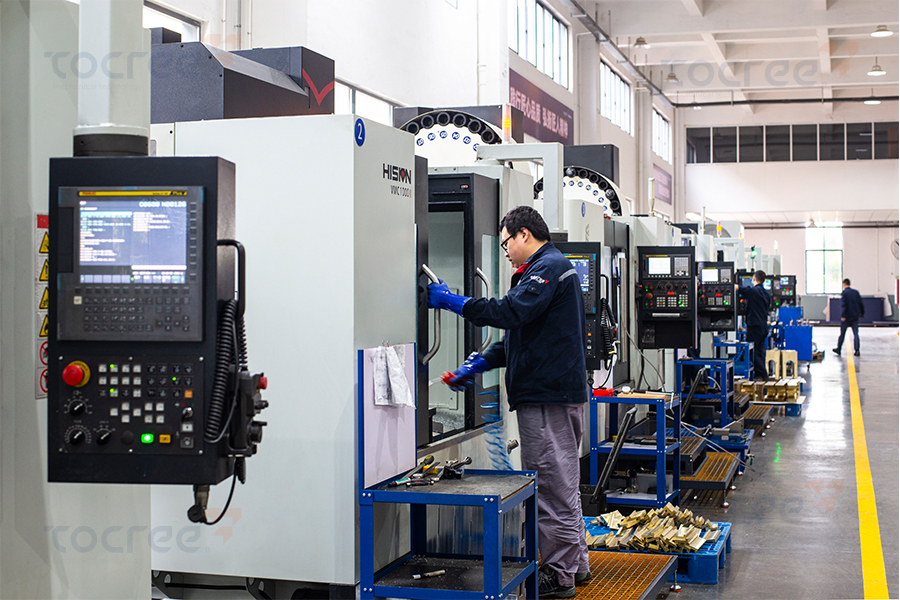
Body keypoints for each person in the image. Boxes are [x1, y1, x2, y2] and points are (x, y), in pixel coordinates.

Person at [427, 206, 589, 599]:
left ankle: (560, 576)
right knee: (563, 484)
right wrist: (480, 363)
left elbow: (509, 312)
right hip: (552, 395)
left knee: (551, 486)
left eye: (506, 244)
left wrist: (452, 301)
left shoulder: (548, 268)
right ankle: (575, 564)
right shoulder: (547, 270)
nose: (506, 252)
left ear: (524, 235)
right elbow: (521, 335)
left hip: (548, 398)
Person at [740, 270, 771, 380]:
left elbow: (743, 290)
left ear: (754, 278)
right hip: (763, 326)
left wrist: (734, 287)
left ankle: (762, 375)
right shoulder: (766, 294)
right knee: (760, 351)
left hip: (754, 326)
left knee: (753, 352)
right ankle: (760, 375)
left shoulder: (754, 291)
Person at [833, 278, 864, 357]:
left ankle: (838, 349)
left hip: (847, 317)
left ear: (844, 284)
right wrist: (862, 314)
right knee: (856, 334)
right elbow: (861, 304)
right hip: (855, 316)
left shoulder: (844, 293)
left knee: (842, 334)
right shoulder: (856, 292)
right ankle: (857, 350)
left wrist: (843, 315)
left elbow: (843, 305)